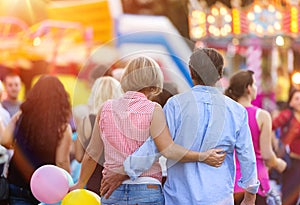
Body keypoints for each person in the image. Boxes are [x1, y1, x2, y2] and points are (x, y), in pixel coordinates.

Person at [101, 48, 260, 205]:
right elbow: (247, 156)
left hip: (179, 197)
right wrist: (250, 195)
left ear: (191, 72)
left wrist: (124, 171)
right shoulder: (237, 111)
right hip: (218, 197)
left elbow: (154, 146)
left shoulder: (175, 105)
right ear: (220, 73)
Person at [70, 55, 226, 205]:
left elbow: (92, 153)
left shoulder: (106, 108)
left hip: (111, 191)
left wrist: (80, 183)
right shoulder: (154, 110)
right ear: (154, 80)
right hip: (147, 188)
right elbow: (169, 150)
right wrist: (202, 156)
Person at [1, 75, 73, 205]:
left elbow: (5, 140)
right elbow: (61, 162)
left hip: (17, 183)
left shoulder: (21, 116)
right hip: (46, 189)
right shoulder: (62, 127)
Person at [225, 70, 287, 205]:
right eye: (254, 85)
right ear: (248, 88)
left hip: (229, 182)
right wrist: (279, 164)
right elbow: (267, 155)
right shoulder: (262, 116)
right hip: (256, 183)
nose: (256, 88)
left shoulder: (227, 114)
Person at [74, 76, 123, 195]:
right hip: (117, 181)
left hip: (93, 182)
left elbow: (79, 157)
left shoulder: (86, 121)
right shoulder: (122, 121)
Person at [272, 88, 300, 205]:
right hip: (291, 162)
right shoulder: (287, 115)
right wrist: (276, 145)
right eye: (297, 99)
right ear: (291, 102)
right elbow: (269, 127)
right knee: (289, 194)